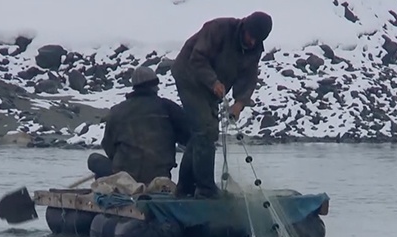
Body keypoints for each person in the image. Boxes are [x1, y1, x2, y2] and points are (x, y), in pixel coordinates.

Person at [171, 11, 273, 199]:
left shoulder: (255, 49)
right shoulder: (219, 29)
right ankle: (205, 189)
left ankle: (184, 187)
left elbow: (248, 78)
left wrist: (239, 103)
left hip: (214, 88)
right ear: (244, 27)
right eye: (251, 36)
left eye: (256, 40)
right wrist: (213, 82)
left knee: (205, 132)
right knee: (205, 130)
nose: (251, 42)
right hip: (189, 76)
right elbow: (197, 58)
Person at [88, 66, 190, 185]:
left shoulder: (117, 111)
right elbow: (188, 138)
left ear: (134, 86)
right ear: (155, 86)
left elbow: (108, 146)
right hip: (159, 177)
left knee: (94, 159)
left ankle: (111, 193)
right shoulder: (169, 108)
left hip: (125, 177)